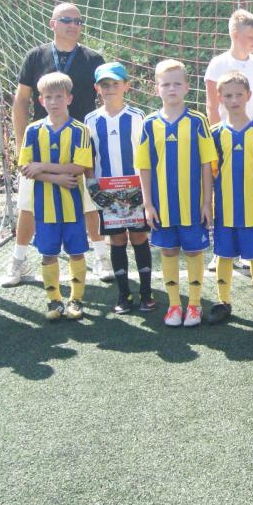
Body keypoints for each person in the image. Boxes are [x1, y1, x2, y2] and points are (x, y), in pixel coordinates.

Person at [5, 2, 106, 287]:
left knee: (89, 202)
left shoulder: (93, 59)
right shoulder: (35, 57)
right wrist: (21, 145)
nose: (74, 25)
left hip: (80, 144)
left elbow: (105, 99)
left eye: (78, 21)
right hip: (41, 145)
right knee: (28, 204)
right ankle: (18, 259)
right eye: (67, 20)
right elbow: (21, 101)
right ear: (52, 24)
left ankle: (102, 256)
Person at [136, 59, 217, 328]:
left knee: (193, 252)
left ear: (187, 87)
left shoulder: (198, 121)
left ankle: (194, 304)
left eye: (177, 83)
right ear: (156, 88)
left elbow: (206, 164)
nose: (171, 89)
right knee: (168, 251)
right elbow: (144, 166)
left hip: (193, 204)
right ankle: (174, 305)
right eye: (165, 84)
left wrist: (207, 202)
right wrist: (148, 204)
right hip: (162, 205)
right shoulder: (149, 124)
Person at [18, 72, 95, 322]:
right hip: (44, 207)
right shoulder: (32, 131)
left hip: (72, 207)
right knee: (48, 254)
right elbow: (26, 167)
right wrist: (56, 178)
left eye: (59, 97)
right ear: (41, 100)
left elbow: (79, 167)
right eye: (48, 97)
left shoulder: (80, 130)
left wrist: (42, 166)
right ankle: (54, 300)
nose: (53, 102)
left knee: (76, 252)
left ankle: (76, 299)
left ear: (69, 98)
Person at [83, 62, 154, 315]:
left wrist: (146, 191)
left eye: (115, 83)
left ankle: (146, 293)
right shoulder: (90, 120)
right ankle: (124, 294)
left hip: (135, 191)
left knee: (139, 237)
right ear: (97, 88)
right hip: (107, 193)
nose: (110, 88)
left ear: (126, 86)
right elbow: (89, 158)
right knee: (117, 239)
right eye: (105, 84)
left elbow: (146, 156)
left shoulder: (138, 117)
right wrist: (93, 186)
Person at [209, 71, 253, 324]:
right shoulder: (215, 133)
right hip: (224, 206)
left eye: (239, 95)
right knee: (224, 254)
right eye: (228, 95)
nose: (234, 100)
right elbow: (212, 170)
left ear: (249, 96)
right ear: (220, 98)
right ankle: (223, 302)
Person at [204, 9, 253, 125]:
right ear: (235, 35)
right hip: (228, 132)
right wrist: (217, 134)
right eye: (250, 37)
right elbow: (212, 107)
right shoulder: (217, 64)